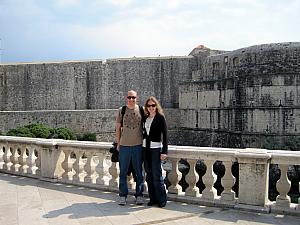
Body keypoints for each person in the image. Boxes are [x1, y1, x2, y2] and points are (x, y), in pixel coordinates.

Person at [115, 90, 144, 206]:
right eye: (129, 97)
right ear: (126, 98)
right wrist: (118, 143)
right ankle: (122, 195)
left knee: (139, 173)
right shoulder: (121, 110)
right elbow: (117, 127)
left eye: (133, 97)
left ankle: (139, 195)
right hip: (124, 146)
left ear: (137, 98)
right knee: (123, 173)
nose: (131, 99)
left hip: (138, 146)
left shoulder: (141, 110)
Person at [143, 96, 168, 208]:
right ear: (146, 107)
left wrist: (164, 151)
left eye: (153, 105)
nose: (151, 107)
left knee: (157, 175)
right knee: (149, 175)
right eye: (149, 106)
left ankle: (161, 199)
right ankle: (152, 199)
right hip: (145, 148)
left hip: (156, 148)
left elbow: (166, 136)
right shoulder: (146, 118)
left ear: (156, 106)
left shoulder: (160, 118)